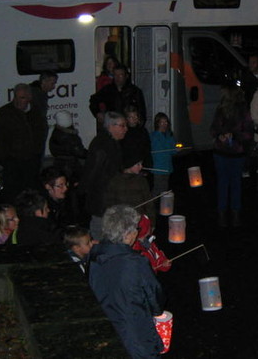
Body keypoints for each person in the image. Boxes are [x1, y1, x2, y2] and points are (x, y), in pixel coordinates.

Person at [89, 204, 164, 359]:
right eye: (135, 229)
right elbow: (154, 295)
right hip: (133, 328)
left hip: (105, 324)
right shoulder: (135, 262)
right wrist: (157, 311)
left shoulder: (94, 255)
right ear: (128, 234)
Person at [0, 83, 48, 202]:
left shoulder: (36, 112)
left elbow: (41, 133)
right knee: (13, 193)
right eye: (16, 97)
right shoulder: (4, 113)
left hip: (31, 161)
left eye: (22, 98)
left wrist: (36, 152)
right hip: (12, 162)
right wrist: (5, 156)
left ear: (29, 98)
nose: (17, 101)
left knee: (31, 191)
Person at [211, 84, 254, 227]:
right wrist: (219, 135)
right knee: (223, 183)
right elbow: (213, 129)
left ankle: (235, 213)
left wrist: (234, 135)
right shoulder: (221, 109)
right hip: (221, 152)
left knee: (235, 183)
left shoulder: (243, 111)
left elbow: (249, 132)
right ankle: (222, 213)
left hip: (236, 153)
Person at [80, 111, 126, 240]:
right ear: (111, 126)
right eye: (122, 126)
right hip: (101, 196)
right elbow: (93, 170)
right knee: (99, 228)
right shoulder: (102, 144)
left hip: (108, 194)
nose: (125, 129)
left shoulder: (112, 143)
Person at [104, 147, 156, 229]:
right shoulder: (115, 181)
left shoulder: (141, 180)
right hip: (121, 222)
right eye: (138, 164)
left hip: (139, 220)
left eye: (141, 163)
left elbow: (148, 203)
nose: (141, 167)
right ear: (129, 165)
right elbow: (110, 203)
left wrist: (151, 223)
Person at [49, 110, 87, 185]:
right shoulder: (69, 137)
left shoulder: (57, 132)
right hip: (70, 166)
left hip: (59, 163)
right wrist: (91, 154)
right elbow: (80, 152)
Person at [122, 105, 153, 188]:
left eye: (135, 116)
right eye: (131, 117)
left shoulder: (143, 131)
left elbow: (147, 150)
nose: (134, 119)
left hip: (142, 167)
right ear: (126, 119)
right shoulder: (123, 133)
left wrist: (147, 167)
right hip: (128, 169)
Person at [149, 112, 178, 196]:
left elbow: (172, 150)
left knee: (164, 190)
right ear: (157, 123)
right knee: (157, 189)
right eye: (162, 122)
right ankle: (149, 206)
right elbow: (161, 150)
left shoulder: (169, 135)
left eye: (166, 122)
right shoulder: (154, 136)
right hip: (158, 167)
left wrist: (177, 149)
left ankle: (162, 207)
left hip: (167, 167)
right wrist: (172, 149)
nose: (164, 124)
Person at [30, 70, 58, 147]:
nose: (54, 87)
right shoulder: (36, 95)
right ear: (44, 81)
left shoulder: (37, 93)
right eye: (52, 83)